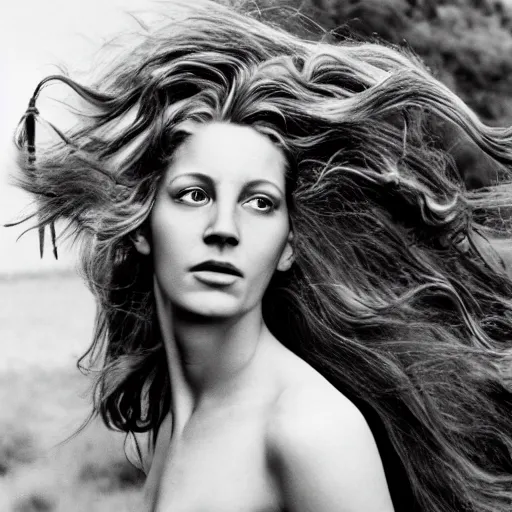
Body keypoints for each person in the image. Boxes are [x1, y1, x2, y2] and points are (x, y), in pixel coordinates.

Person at [8, 1, 512, 510]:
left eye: (260, 202)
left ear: (288, 245)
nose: (224, 229)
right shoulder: (176, 419)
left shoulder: (309, 431)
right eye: (194, 194)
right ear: (140, 224)